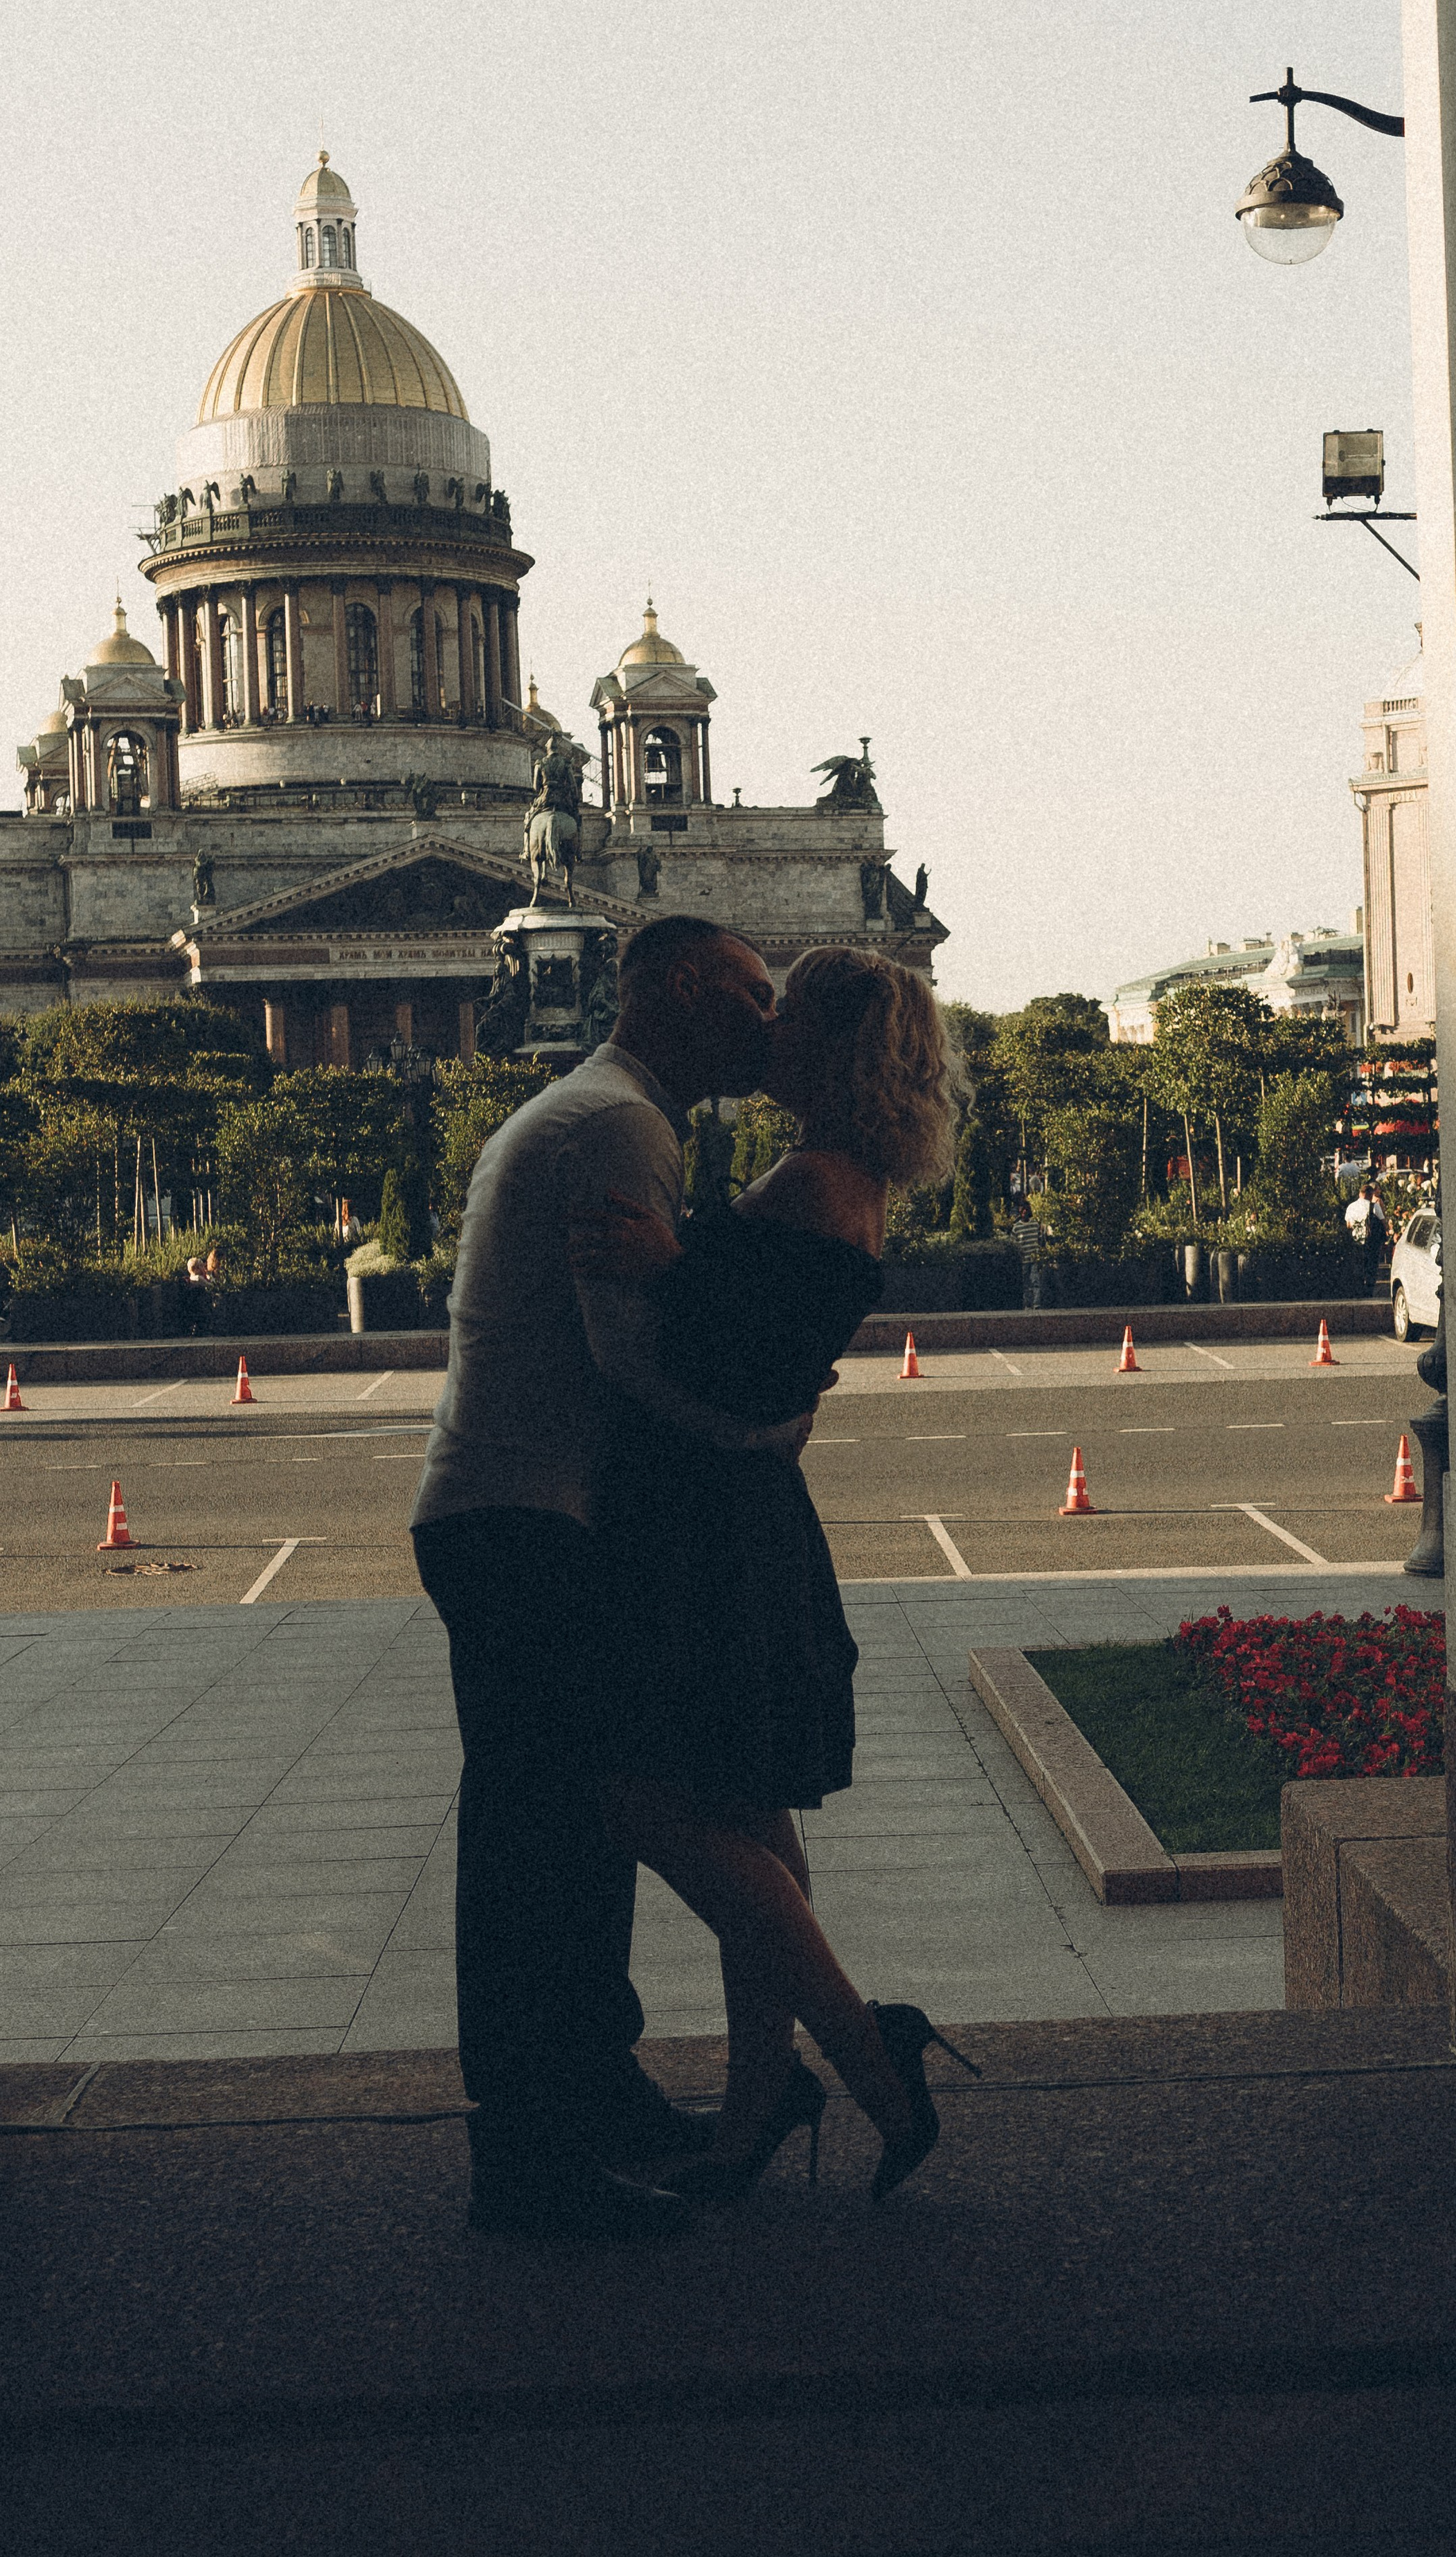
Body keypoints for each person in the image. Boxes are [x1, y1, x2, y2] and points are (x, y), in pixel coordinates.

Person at [410, 917, 814, 2243]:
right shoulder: (615, 1129)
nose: (774, 1019)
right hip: (529, 1521)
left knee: (581, 1835)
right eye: (756, 994)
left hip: (520, 1513)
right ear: (689, 994)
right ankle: (525, 2160)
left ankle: (594, 2095)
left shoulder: (605, 1111)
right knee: (537, 1852)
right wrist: (770, 1428)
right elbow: (634, 1356)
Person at [571, 945, 979, 2207]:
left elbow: (737, 1362)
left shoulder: (813, 1180)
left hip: (711, 1537)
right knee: (751, 1818)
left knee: (639, 1798)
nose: (765, 1029)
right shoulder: (839, 1174)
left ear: (830, 1051)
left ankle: (868, 2053)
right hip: (742, 1522)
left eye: (785, 1013)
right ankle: (756, 2113)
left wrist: (666, 1263)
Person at [1011, 1197, 1046, 1307]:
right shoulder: (1016, 1228)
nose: (1024, 1213)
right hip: (1023, 1260)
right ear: (1020, 1212)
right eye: (1022, 1211)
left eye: (1026, 1211)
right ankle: (1028, 1304)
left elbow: (1040, 1240)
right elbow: (1013, 1244)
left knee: (1035, 1281)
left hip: (1034, 1258)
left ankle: (1036, 1303)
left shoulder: (1035, 1225)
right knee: (1025, 1283)